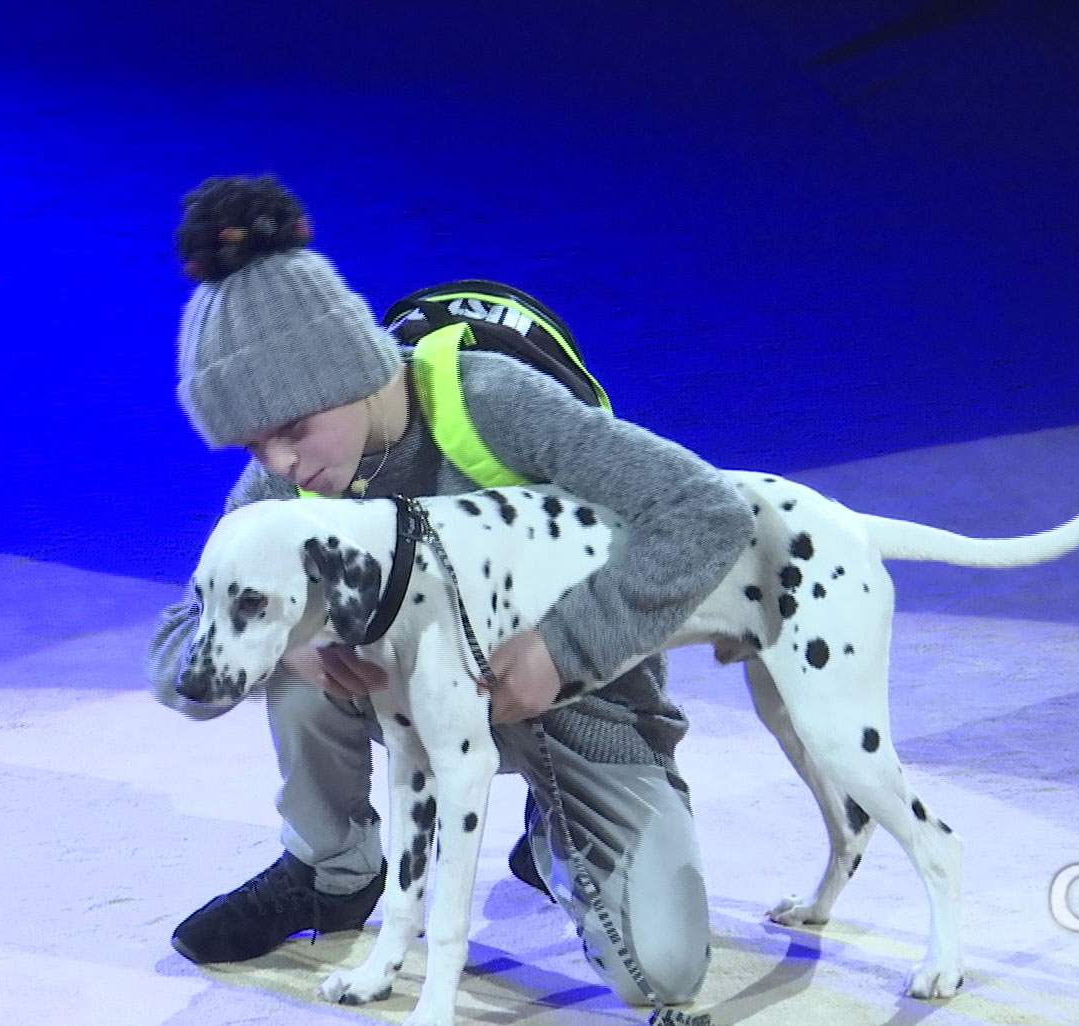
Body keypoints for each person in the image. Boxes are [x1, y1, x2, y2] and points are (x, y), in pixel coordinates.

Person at [146, 174, 754, 1008]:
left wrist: (564, 651)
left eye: (292, 428)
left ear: (355, 370)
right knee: (276, 630)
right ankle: (336, 868)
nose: (281, 464)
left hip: (581, 705)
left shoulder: (492, 403)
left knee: (664, 970)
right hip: (415, 712)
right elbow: (183, 646)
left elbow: (705, 511)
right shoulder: (282, 496)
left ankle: (553, 838)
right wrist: (295, 638)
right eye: (253, 445)